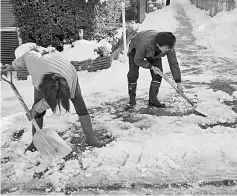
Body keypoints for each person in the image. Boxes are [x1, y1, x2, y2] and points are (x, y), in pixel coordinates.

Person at [1, 43, 105, 152]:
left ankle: (91, 139)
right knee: (37, 111)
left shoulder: (69, 84)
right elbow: (28, 54)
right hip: (44, 73)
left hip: (68, 72)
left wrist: (39, 107)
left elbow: (53, 99)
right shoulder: (35, 64)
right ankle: (35, 143)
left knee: (80, 106)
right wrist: (13, 66)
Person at [126, 30, 183, 110]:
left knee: (158, 74)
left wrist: (178, 82)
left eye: (169, 48)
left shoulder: (169, 46)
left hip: (154, 53)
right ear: (158, 45)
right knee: (133, 74)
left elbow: (173, 63)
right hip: (136, 49)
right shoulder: (144, 43)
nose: (168, 50)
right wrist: (151, 67)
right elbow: (138, 60)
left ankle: (153, 100)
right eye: (166, 48)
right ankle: (132, 101)